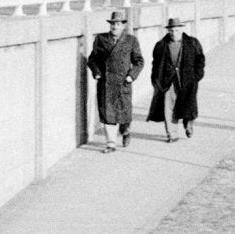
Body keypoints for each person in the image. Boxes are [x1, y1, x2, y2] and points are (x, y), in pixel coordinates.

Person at [86, 11, 145, 152]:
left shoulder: (131, 40)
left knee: (124, 114)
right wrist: (97, 73)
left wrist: (131, 76)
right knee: (108, 114)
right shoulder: (100, 39)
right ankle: (111, 143)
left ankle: (125, 131)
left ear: (123, 26)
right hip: (106, 83)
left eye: (118, 24)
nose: (114, 26)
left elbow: (139, 61)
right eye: (112, 24)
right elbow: (92, 59)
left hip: (123, 82)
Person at [146, 17, 207, 142]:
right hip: (168, 80)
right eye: (172, 31)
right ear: (168, 31)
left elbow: (200, 59)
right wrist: (155, 80)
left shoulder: (192, 43)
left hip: (188, 80)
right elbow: (155, 64)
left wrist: (197, 76)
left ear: (181, 29)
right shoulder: (161, 45)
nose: (174, 33)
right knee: (169, 106)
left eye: (177, 30)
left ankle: (188, 123)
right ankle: (172, 134)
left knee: (188, 105)